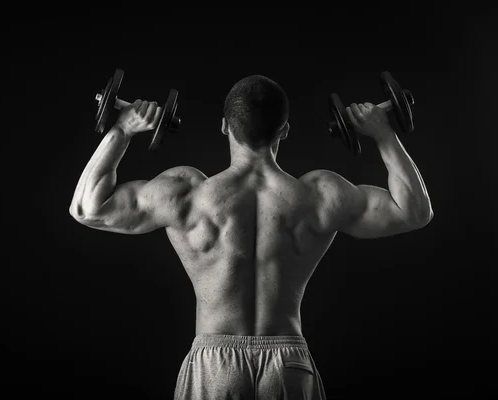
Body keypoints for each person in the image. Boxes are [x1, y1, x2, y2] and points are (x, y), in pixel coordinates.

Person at [69, 75, 433, 399]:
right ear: (285, 130)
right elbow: (414, 212)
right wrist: (385, 133)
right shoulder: (319, 195)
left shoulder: (186, 194)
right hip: (289, 364)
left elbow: (87, 209)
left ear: (226, 127)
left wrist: (123, 128)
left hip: (214, 364)